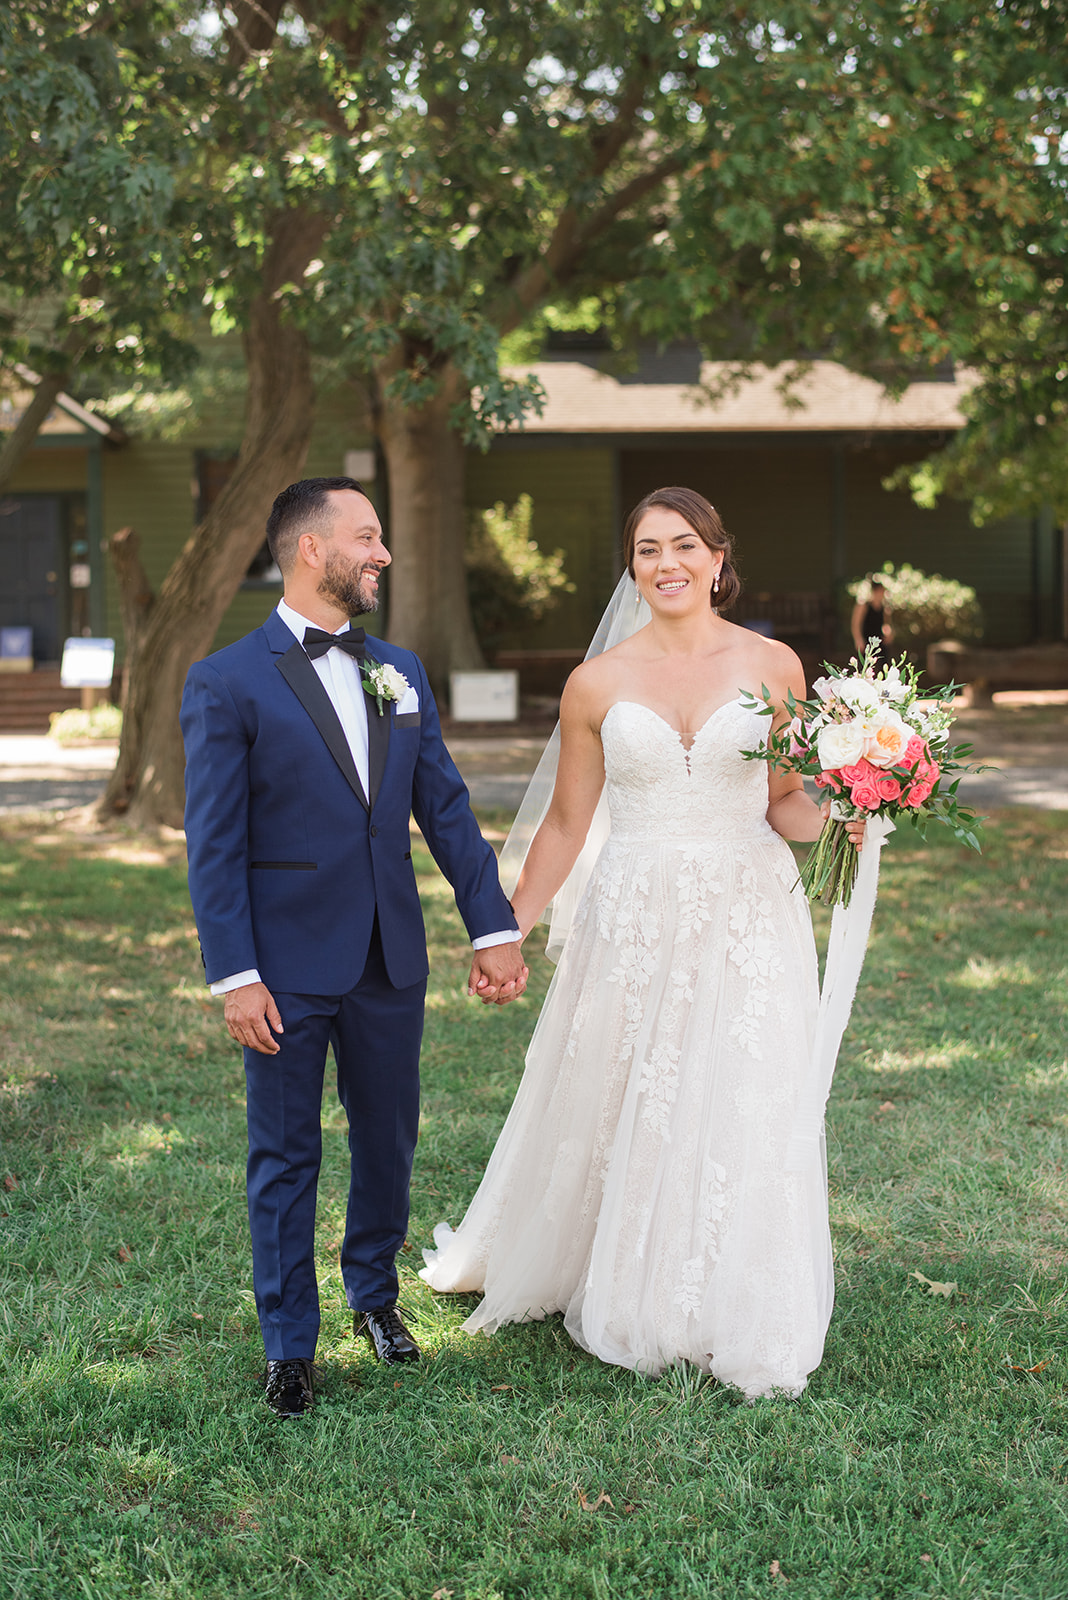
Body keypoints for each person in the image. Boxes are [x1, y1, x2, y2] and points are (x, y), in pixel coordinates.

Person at [421, 486, 864, 1400]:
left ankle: (730, 1289)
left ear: (718, 557)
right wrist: (506, 930)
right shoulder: (598, 683)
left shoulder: (775, 665)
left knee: (741, 1085)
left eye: (685, 546)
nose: (667, 564)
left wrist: (849, 815)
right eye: (648, 550)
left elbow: (784, 799)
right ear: (632, 568)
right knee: (628, 1084)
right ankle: (616, 1264)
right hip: (634, 909)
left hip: (748, 908)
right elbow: (566, 825)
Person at [180, 477, 527, 1419]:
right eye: (366, 537)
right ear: (310, 551)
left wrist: (492, 926)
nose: (381, 553)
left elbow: (445, 809)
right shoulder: (226, 680)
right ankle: (289, 1345)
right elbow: (213, 843)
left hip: (388, 958)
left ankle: (375, 1299)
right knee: (286, 1156)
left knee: (388, 1141)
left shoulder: (400, 670)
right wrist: (236, 977)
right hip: (283, 970)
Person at [851, 577, 893, 666]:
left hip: (879, 640)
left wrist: (888, 633)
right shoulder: (864, 605)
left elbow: (886, 624)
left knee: (884, 664)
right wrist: (858, 639)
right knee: (865, 666)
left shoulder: (884, 607)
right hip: (866, 640)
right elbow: (855, 624)